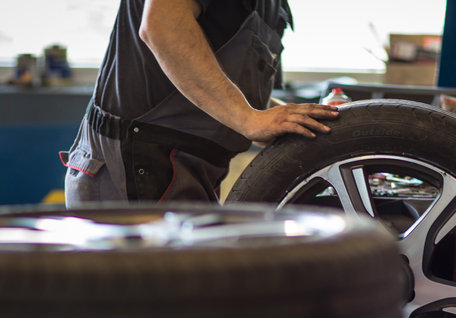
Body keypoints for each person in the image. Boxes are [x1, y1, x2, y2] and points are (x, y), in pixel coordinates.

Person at [60, 0, 339, 206]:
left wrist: (282, 119)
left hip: (190, 169)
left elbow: (233, 87)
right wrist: (249, 119)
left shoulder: (272, 6)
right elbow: (162, 25)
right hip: (133, 164)